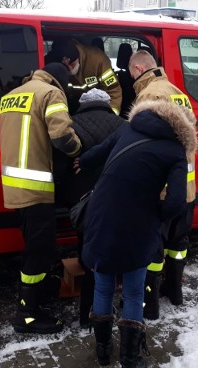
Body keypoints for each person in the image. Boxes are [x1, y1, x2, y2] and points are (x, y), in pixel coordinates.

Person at [78, 98, 197, 368]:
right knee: (133, 292)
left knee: (103, 285)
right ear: (185, 131)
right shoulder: (176, 152)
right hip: (137, 225)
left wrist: (81, 163)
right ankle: (131, 359)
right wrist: (155, 212)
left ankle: (103, 352)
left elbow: (93, 156)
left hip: (101, 216)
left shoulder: (128, 129)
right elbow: (177, 203)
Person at [0, 62, 82, 335]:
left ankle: (39, 294)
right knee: (39, 252)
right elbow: (61, 137)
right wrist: (80, 150)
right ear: (60, 81)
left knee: (36, 246)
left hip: (14, 186)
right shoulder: (50, 94)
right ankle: (27, 314)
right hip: (36, 188)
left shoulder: (13, 95)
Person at [128, 50, 196, 320]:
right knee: (178, 243)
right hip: (187, 187)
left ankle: (150, 303)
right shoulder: (178, 92)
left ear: (138, 67)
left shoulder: (149, 95)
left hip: (163, 189)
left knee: (154, 246)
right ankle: (174, 292)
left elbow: (145, 145)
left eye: (131, 71)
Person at [52, 88, 126, 327]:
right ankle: (113, 302)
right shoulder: (123, 125)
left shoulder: (72, 126)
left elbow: (62, 169)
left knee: (87, 244)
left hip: (82, 201)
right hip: (114, 198)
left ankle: (88, 315)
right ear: (106, 104)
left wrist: (65, 196)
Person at [49, 38, 122, 116]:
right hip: (70, 103)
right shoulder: (52, 66)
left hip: (97, 104)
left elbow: (113, 90)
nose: (70, 69)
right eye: (66, 66)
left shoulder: (97, 60)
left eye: (72, 64)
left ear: (78, 57)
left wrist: (111, 116)